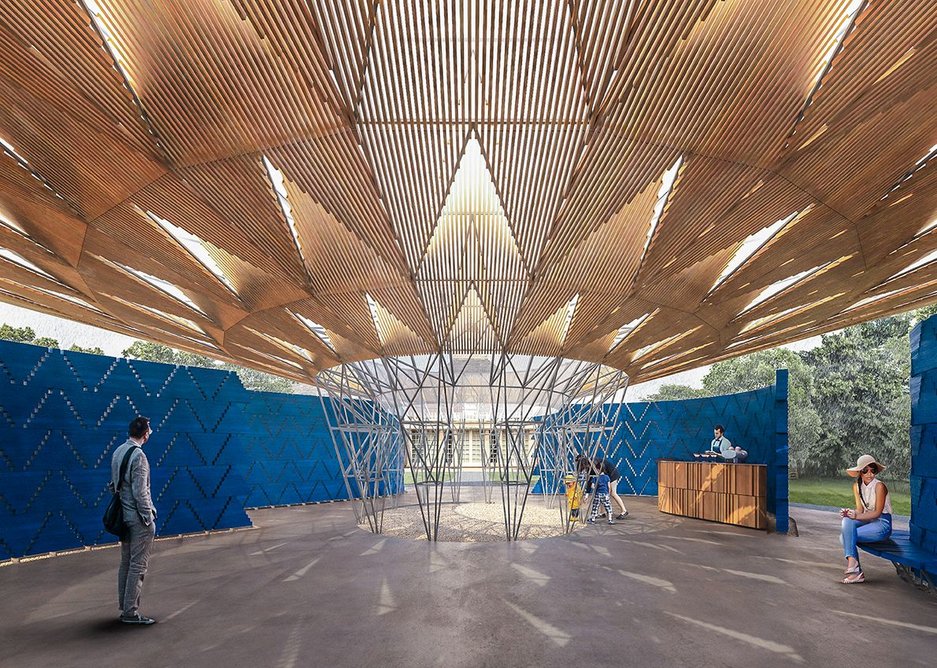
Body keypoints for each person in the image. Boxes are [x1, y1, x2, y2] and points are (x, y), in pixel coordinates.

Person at [111, 416, 158, 624]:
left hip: (123, 517)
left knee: (126, 563)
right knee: (138, 566)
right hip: (137, 519)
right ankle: (130, 613)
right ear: (145, 433)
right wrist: (148, 518)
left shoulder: (119, 451)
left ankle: (125, 606)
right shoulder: (139, 456)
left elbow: (114, 485)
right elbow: (141, 492)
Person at [839, 454, 892, 584]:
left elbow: (877, 513)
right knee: (846, 521)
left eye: (872, 470)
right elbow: (860, 510)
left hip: (881, 523)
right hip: (867, 520)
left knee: (845, 537)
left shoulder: (880, 486)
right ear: (860, 472)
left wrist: (856, 516)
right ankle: (855, 568)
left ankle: (854, 568)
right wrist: (850, 513)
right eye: (865, 470)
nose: (869, 473)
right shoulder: (857, 487)